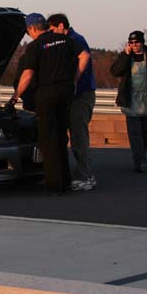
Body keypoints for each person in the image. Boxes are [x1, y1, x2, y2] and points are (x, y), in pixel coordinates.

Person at [10, 13, 90, 194]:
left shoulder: (35, 46)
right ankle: (66, 181)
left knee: (48, 140)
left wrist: (15, 96)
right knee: (62, 137)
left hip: (46, 96)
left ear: (32, 29)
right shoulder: (65, 40)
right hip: (66, 93)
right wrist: (74, 80)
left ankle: (54, 184)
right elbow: (85, 55)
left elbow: (28, 75)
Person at [47, 13, 97, 191]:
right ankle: (87, 174)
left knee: (78, 136)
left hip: (81, 95)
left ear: (61, 26)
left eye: (52, 29)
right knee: (76, 135)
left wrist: (74, 81)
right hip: (75, 95)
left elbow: (84, 58)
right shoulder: (70, 40)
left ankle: (85, 175)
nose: (52, 33)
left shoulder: (75, 40)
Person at [110, 30, 147, 173]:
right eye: (131, 43)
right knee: (134, 133)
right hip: (130, 99)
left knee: (144, 133)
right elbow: (115, 71)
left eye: (137, 42)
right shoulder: (126, 57)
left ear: (142, 42)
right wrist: (125, 55)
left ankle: (140, 156)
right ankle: (139, 160)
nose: (134, 45)